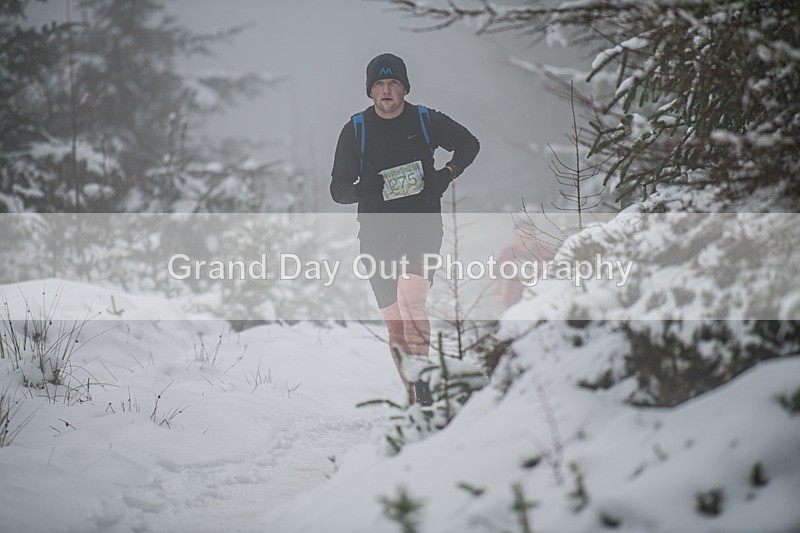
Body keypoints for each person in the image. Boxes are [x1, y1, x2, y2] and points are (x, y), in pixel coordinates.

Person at [330, 53, 480, 404]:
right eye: (380, 84)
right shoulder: (356, 129)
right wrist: (362, 189)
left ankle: (424, 385)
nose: (386, 90)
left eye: (393, 83)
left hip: (421, 223)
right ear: (370, 91)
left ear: (404, 88)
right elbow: (338, 190)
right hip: (376, 231)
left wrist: (446, 175)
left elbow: (470, 144)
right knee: (395, 325)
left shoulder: (425, 119)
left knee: (412, 300)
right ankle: (414, 396)